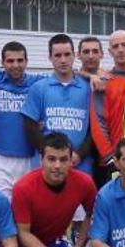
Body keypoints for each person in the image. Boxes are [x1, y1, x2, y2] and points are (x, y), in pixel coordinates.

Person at [22, 34, 93, 174]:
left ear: (75, 55)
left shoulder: (88, 88)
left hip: (80, 165)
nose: (63, 60)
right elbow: (29, 127)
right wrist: (51, 155)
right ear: (50, 58)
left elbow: (94, 129)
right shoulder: (39, 88)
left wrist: (79, 154)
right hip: (48, 167)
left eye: (67, 54)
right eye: (58, 55)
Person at [0, 41, 46, 198]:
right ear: (2, 63)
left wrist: (92, 75)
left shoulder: (38, 82)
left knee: (24, 206)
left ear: (26, 62)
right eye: (10, 61)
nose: (15, 65)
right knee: (0, 205)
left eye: (20, 60)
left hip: (28, 158)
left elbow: (67, 75)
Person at [89, 30, 125, 187]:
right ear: (109, 52)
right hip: (113, 162)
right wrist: (110, 157)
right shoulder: (103, 82)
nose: (120, 49)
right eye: (115, 46)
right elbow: (98, 123)